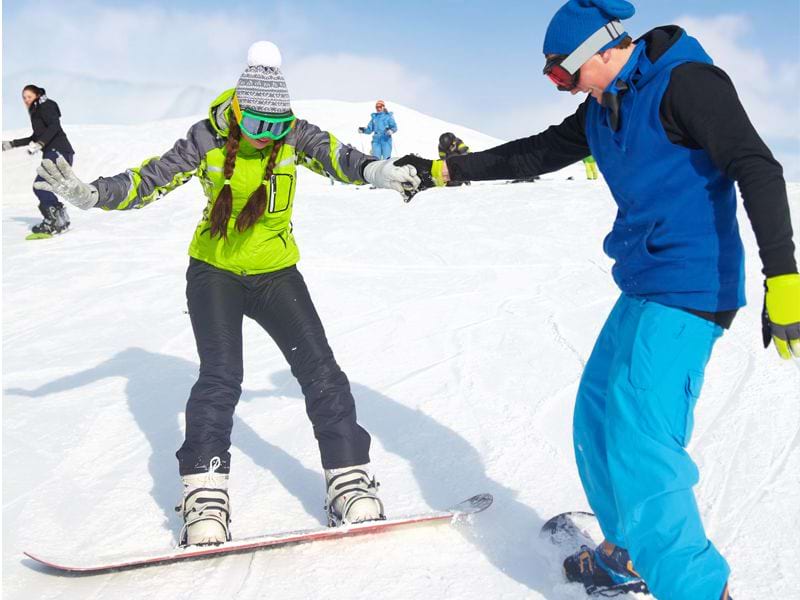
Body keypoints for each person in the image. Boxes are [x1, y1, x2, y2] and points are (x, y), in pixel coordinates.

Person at [396, 1, 799, 598]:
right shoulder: (604, 106)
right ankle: (629, 553)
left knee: (643, 441)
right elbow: (532, 153)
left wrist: (784, 279)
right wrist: (443, 170)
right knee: (597, 416)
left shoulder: (687, 84)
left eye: (564, 73)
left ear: (603, 50)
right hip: (643, 282)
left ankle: (695, 587)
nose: (562, 87)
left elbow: (757, 167)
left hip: (691, 286)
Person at [33, 41, 420, 547]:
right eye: (260, 126)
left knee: (321, 371)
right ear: (238, 112)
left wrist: (375, 171)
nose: (269, 138)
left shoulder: (291, 135)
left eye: (278, 128)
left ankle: (347, 477)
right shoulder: (205, 138)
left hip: (276, 273)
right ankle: (205, 491)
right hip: (214, 273)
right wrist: (93, 195)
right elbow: (149, 179)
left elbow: (337, 156)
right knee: (220, 379)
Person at [2, 85, 74, 237]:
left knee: (40, 186)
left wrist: (41, 143)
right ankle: (60, 219)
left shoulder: (46, 105)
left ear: (37, 94)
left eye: (29, 96)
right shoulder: (37, 112)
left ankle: (52, 221)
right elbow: (35, 136)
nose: (26, 100)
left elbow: (55, 126)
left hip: (58, 151)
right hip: (56, 153)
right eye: (24, 98)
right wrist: (12, 144)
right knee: (43, 186)